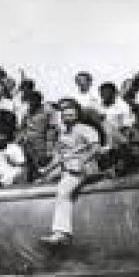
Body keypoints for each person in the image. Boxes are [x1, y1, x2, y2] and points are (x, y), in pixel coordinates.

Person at [39, 100, 101, 247]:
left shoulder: (86, 129)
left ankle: (61, 232)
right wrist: (46, 171)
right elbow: (59, 157)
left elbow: (96, 148)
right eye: (65, 115)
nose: (68, 117)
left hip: (84, 167)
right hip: (67, 167)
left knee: (63, 190)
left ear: (77, 115)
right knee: (45, 182)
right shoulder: (63, 133)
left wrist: (83, 160)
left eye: (71, 115)